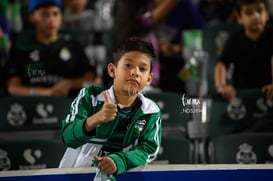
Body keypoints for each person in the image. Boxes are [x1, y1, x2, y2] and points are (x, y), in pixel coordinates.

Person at [58, 37, 162, 180]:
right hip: (77, 176)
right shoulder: (90, 97)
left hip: (122, 176)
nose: (135, 72)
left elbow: (147, 150)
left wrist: (118, 161)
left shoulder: (151, 111)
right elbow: (67, 136)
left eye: (142, 69)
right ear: (112, 70)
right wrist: (97, 118)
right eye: (128, 65)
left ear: (149, 79)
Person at [3, 0, 98, 97]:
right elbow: (12, 88)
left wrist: (70, 83)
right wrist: (48, 92)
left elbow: (93, 79)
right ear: (32, 17)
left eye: (55, 14)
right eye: (44, 14)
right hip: (28, 107)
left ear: (61, 16)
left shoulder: (73, 47)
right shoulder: (20, 48)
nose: (51, 19)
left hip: (68, 106)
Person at [110, 0, 179, 88]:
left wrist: (161, 47)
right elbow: (159, 14)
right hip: (143, 88)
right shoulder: (142, 22)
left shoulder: (138, 28)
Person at [214, 0, 273, 101]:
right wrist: (222, 86)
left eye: (259, 11)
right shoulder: (235, 40)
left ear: (267, 14)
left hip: (268, 96)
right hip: (242, 98)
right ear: (240, 18)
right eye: (249, 13)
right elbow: (221, 64)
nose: (255, 16)